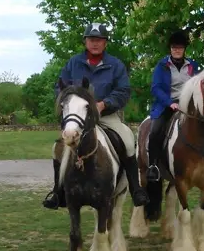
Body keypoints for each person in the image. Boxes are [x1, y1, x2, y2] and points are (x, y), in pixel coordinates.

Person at [43, 22, 150, 210]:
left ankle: (136, 189)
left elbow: (123, 90)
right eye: (91, 40)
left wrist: (104, 104)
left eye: (99, 40)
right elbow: (59, 87)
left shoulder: (115, 65)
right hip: (78, 117)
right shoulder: (73, 63)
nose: (95, 43)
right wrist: (69, 104)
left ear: (105, 43)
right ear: (85, 41)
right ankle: (58, 192)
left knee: (127, 138)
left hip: (106, 116)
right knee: (57, 147)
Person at [146, 30, 204, 183]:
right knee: (155, 131)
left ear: (184, 49)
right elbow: (155, 88)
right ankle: (153, 166)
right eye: (174, 47)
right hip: (167, 105)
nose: (177, 50)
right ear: (170, 48)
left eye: (180, 47)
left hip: (189, 106)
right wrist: (170, 103)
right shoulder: (162, 66)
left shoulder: (193, 66)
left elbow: (200, 86)